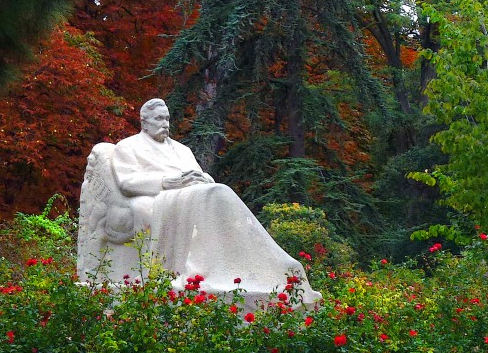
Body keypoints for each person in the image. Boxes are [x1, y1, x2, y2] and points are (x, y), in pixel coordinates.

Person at [78, 99, 319, 308]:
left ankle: (261, 265)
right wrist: (167, 182)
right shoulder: (128, 147)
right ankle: (197, 270)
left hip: (191, 194)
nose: (166, 123)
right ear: (144, 121)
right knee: (205, 197)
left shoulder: (182, 150)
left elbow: (203, 177)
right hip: (159, 197)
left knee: (217, 192)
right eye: (159, 119)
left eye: (168, 118)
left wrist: (201, 179)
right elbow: (128, 183)